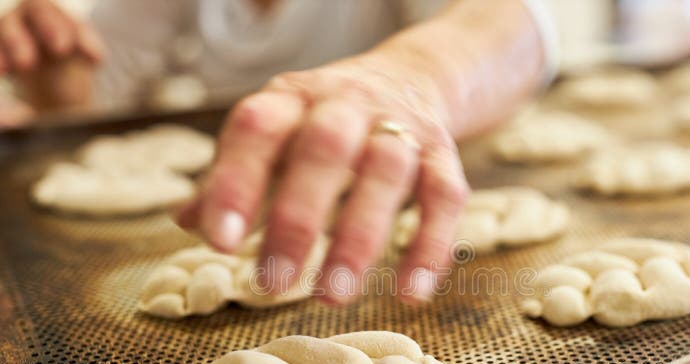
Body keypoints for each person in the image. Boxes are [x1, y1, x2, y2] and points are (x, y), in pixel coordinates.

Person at [0, 0, 557, 304]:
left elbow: (515, 22)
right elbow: (93, 113)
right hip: (237, 214)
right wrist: (53, 76)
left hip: (427, 221)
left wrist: (412, 79)